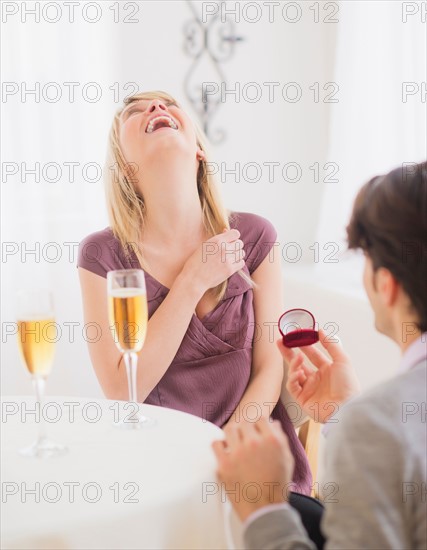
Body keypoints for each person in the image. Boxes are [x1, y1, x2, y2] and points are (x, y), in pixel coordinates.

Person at [77, 91, 312, 494]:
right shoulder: (102, 254)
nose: (156, 108)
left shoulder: (255, 236)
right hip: (159, 474)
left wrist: (223, 453)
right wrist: (193, 279)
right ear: (126, 169)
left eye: (169, 104)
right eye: (135, 112)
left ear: (199, 150)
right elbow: (121, 390)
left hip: (253, 462)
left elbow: (269, 370)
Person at [213, 161, 427, 549]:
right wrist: (349, 414)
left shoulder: (379, 426)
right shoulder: (379, 423)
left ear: (386, 284)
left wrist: (264, 510)